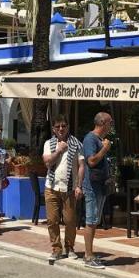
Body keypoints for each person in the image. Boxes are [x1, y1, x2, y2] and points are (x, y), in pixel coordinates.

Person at [43, 115, 84, 264]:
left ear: (68, 127)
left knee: (70, 220)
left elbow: (81, 166)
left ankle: (70, 247)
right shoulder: (49, 143)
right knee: (52, 220)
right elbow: (47, 162)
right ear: (53, 129)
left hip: (69, 188)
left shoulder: (76, 144)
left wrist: (79, 185)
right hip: (51, 186)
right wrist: (59, 150)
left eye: (64, 126)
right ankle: (56, 249)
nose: (61, 129)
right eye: (58, 126)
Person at [80, 111, 115, 268]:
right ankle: (88, 256)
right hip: (92, 186)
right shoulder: (90, 139)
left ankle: (91, 254)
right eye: (110, 122)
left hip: (100, 186)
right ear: (102, 123)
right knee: (91, 221)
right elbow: (91, 161)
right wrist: (105, 149)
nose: (111, 126)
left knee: (95, 221)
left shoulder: (99, 139)